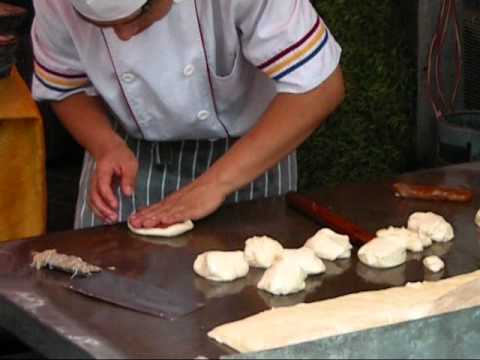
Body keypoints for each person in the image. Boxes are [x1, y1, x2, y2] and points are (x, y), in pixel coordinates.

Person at [31, 0, 345, 230]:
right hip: (129, 160)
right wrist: (104, 145)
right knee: (100, 303)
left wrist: (214, 185)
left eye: (139, 16)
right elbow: (65, 83)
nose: (125, 35)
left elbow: (320, 87)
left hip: (249, 157)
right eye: (105, 28)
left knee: (245, 306)